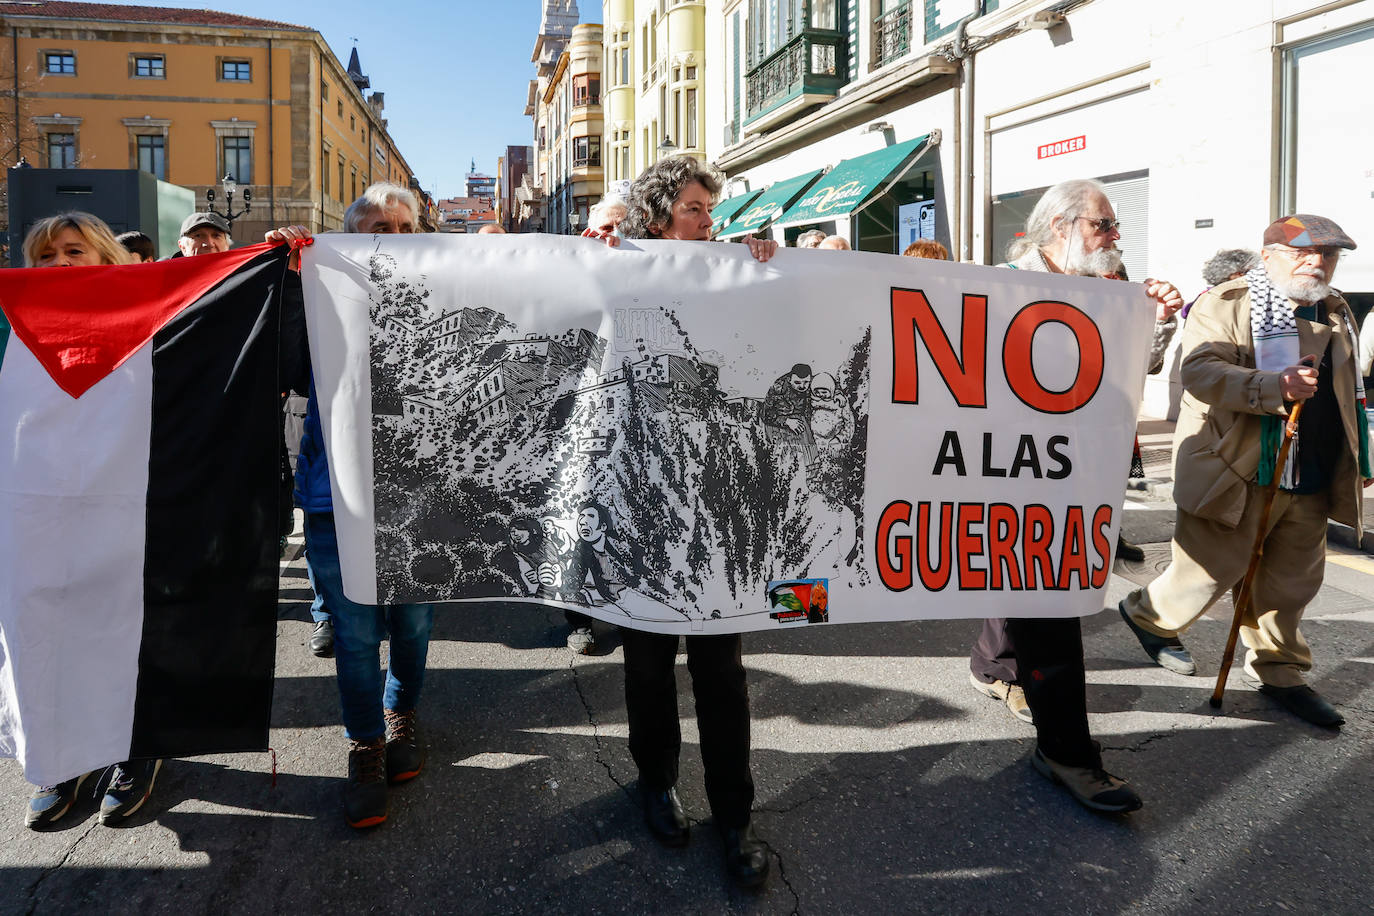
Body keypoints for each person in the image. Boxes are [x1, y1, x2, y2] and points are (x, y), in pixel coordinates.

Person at [968, 178, 1183, 813]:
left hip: (1075, 470)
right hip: (1011, 471)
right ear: (1060, 228)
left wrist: (1154, 320)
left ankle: (994, 666)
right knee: (1046, 598)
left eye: (1114, 226)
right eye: (1104, 225)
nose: (1116, 237)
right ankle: (1067, 754)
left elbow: (1136, 367)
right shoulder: (997, 284)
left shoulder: (1111, 289)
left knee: (1024, 585)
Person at [600, 155, 775, 889]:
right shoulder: (622, 269)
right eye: (697, 209)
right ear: (660, 217)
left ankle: (734, 812)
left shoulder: (733, 272)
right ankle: (657, 782)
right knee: (647, 665)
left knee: (721, 672)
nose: (710, 222)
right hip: (645, 510)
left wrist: (771, 262)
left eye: (712, 209)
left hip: (717, 514)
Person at [1119, 214, 1366, 729]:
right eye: (1304, 252)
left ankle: (1280, 670)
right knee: (1205, 574)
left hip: (1312, 468)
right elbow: (1201, 372)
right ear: (1270, 255)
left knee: (1290, 585)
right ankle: (1147, 615)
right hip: (1238, 466)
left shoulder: (1335, 308)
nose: (1317, 262)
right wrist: (1274, 386)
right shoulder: (1227, 302)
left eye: (1328, 254)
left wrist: (1358, 455)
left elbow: (1349, 390)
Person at [265, 182, 435, 828]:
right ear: (346, 237)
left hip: (418, 490)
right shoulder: (317, 291)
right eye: (373, 226)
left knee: (412, 624)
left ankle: (402, 710)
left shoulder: (447, 291)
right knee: (356, 632)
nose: (388, 237)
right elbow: (284, 369)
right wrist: (286, 282)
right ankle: (365, 743)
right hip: (334, 490)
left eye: (402, 226)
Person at [18, 212, 168, 829]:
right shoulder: (13, 320)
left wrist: (279, 266)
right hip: (37, 504)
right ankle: (63, 755)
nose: (58, 265)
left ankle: (135, 749)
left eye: (73, 251)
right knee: (47, 628)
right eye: (45, 256)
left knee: (123, 626)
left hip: (127, 498)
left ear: (107, 259)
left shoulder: (152, 316)